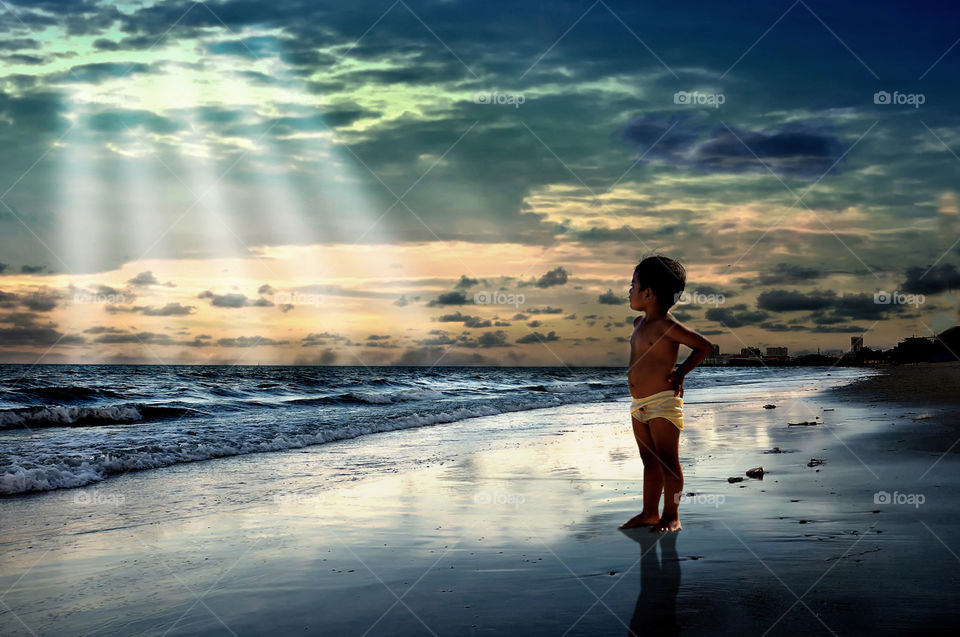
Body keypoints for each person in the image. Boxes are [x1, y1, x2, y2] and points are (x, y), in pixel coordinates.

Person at [619, 255, 713, 533]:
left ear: (648, 293)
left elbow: (704, 346)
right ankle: (649, 513)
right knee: (649, 460)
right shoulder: (638, 324)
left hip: (662, 402)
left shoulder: (665, 326)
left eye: (632, 284)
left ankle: (671, 515)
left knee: (668, 460)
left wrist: (681, 373)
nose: (629, 290)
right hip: (639, 405)